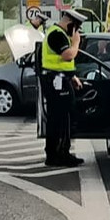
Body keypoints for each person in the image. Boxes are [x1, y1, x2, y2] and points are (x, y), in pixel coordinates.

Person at [40, 9, 87, 167]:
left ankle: (61, 152)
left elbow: (62, 63)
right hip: (55, 81)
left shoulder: (59, 34)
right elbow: (67, 55)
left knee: (63, 117)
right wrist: (76, 43)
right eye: (76, 28)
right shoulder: (57, 34)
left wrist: (72, 76)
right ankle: (57, 154)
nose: (76, 32)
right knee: (60, 118)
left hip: (60, 78)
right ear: (70, 24)